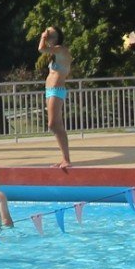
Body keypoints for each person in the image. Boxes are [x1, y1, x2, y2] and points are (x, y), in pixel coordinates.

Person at [38, 26, 74, 168]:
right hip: (50, 90)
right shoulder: (56, 53)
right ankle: (65, 159)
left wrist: (42, 36)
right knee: (57, 125)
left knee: (53, 124)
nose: (48, 37)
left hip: (56, 90)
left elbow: (41, 49)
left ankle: (67, 159)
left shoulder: (61, 49)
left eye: (50, 35)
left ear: (57, 37)